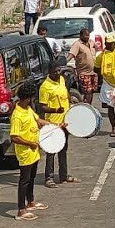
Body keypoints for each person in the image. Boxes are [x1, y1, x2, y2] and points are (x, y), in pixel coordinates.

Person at [11, 84, 52, 221]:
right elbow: (14, 137)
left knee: (32, 177)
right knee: (24, 180)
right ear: (27, 98)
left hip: (34, 150)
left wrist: (54, 126)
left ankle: (31, 201)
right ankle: (21, 210)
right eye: (31, 98)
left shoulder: (27, 109)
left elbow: (38, 120)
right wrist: (30, 143)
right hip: (26, 152)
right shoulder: (17, 115)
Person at [39, 59, 80, 187]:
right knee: (51, 151)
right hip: (52, 124)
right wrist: (56, 110)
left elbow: (65, 92)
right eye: (55, 71)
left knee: (63, 149)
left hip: (65, 122)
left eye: (59, 70)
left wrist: (71, 99)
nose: (58, 73)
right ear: (49, 72)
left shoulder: (61, 79)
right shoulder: (45, 87)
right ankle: (49, 178)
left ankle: (63, 175)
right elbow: (42, 106)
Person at [68, 27, 98, 105]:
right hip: (84, 73)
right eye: (86, 35)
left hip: (93, 72)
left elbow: (97, 50)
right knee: (87, 92)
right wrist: (64, 61)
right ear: (81, 35)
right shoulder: (77, 44)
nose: (87, 37)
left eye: (88, 35)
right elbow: (71, 55)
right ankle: (86, 107)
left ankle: (89, 106)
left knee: (91, 92)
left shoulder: (91, 42)